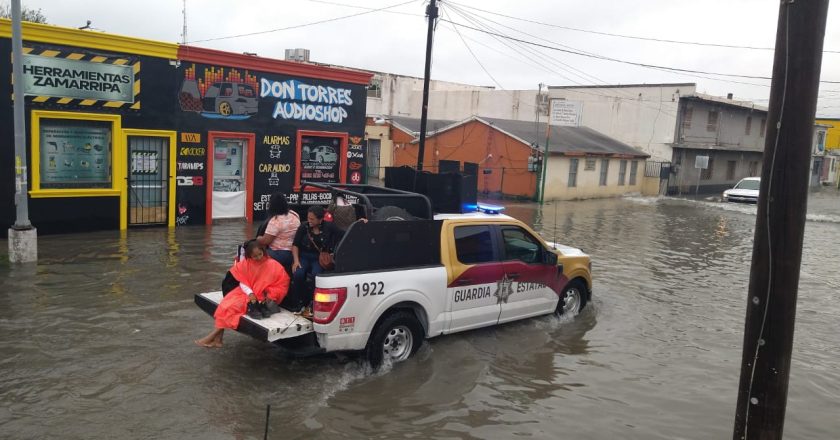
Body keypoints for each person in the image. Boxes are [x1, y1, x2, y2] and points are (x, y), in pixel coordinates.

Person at [195, 240, 290, 348]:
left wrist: (270, 294)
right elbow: (243, 281)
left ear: (263, 251)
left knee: (232, 308)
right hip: (247, 293)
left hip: (261, 297)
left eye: (260, 254)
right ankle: (217, 339)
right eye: (255, 256)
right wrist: (250, 293)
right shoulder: (246, 263)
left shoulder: (274, 265)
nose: (258, 257)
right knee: (225, 305)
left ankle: (214, 337)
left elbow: (282, 284)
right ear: (249, 256)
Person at [289, 205, 341, 312]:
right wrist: (296, 261)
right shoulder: (304, 226)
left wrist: (360, 222)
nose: (309, 221)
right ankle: (298, 301)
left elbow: (343, 234)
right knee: (298, 274)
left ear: (320, 219)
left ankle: (313, 302)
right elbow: (295, 244)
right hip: (304, 256)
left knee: (315, 275)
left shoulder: (329, 227)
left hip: (318, 258)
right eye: (308, 218)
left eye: (312, 219)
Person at [256, 192, 300, 274]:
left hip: (279, 253)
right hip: (295, 252)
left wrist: (258, 238)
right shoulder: (295, 214)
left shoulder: (275, 221)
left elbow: (265, 241)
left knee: (255, 254)